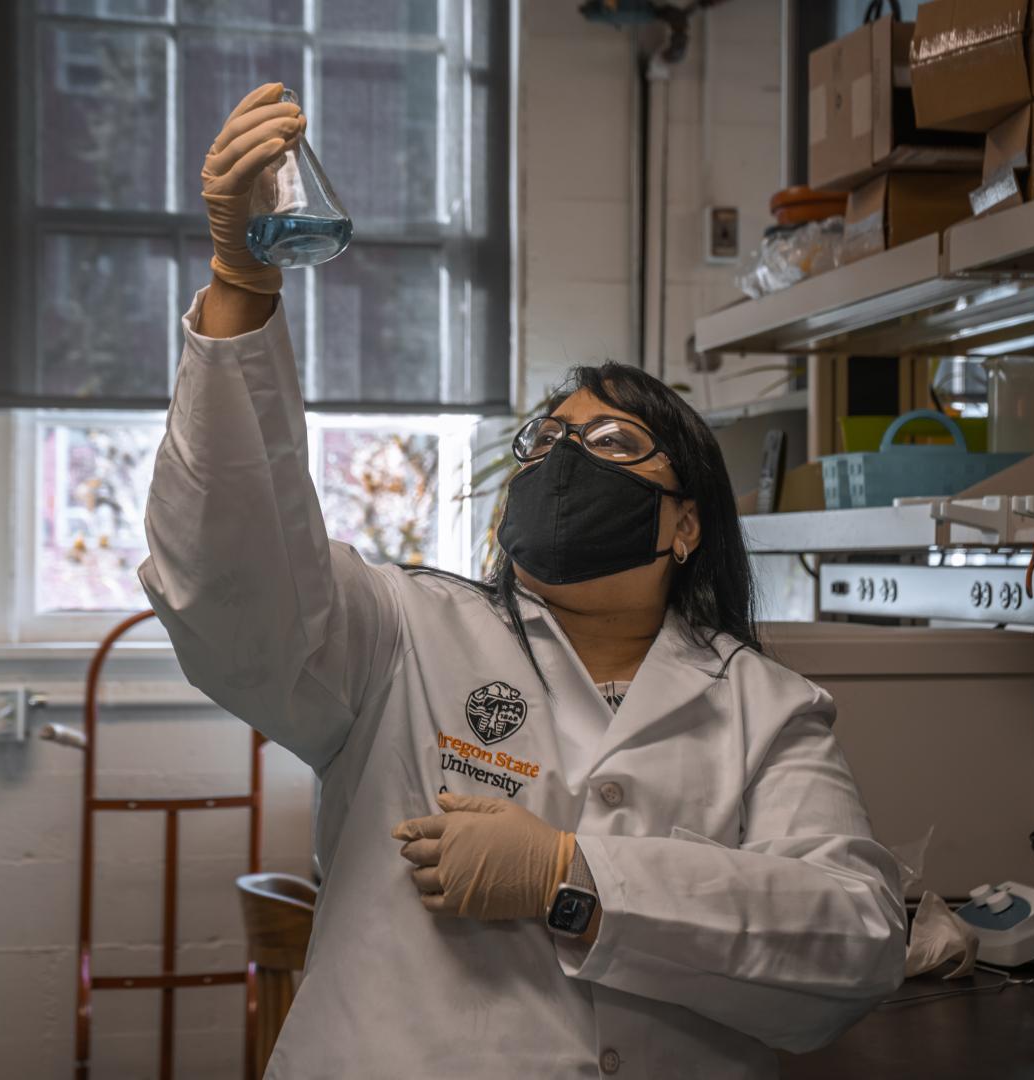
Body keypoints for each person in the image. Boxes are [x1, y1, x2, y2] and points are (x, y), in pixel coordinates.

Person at [139, 83, 906, 1079]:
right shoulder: (401, 633)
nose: (560, 453)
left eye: (609, 440)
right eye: (546, 437)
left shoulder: (767, 708)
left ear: (684, 523)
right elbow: (228, 590)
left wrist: (569, 878)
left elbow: (853, 940)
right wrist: (242, 290)